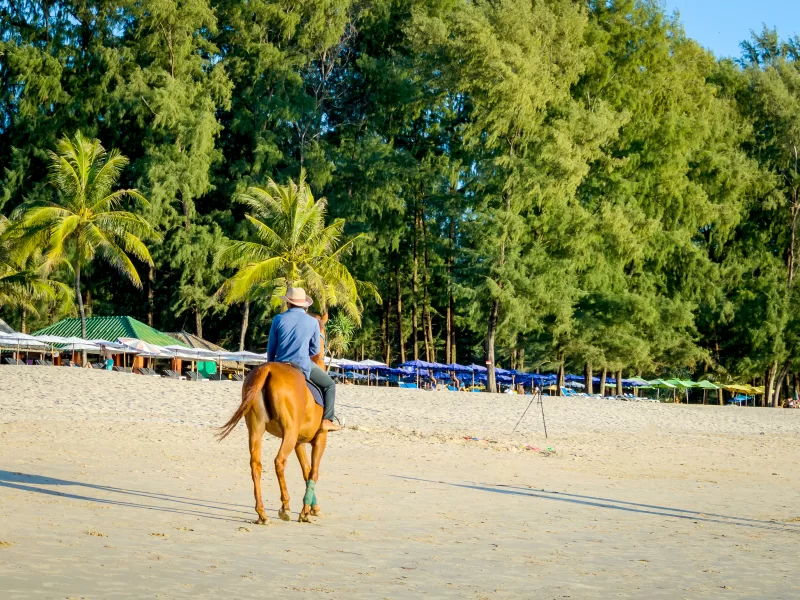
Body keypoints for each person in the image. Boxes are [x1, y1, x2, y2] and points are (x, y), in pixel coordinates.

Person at [266, 287, 340, 432]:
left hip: (279, 364)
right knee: (330, 385)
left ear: (288, 303)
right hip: (302, 365)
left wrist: (270, 364)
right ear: (304, 305)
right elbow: (315, 350)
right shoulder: (313, 322)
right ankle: (327, 420)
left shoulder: (278, 319)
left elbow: (271, 347)